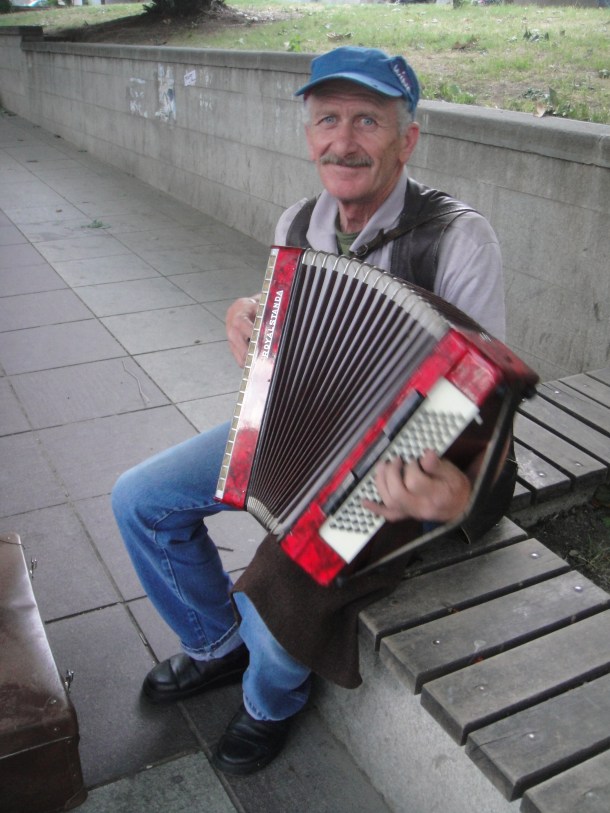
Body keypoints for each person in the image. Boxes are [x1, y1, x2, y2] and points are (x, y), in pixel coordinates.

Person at [111, 46, 516, 777]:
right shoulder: (299, 220)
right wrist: (247, 320)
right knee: (138, 498)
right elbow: (285, 343)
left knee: (280, 582)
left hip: (412, 462)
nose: (344, 139)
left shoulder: (459, 237)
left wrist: (459, 492)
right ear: (309, 135)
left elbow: (483, 398)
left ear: (407, 139)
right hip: (305, 426)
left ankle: (270, 702)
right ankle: (214, 644)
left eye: (368, 120)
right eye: (327, 118)